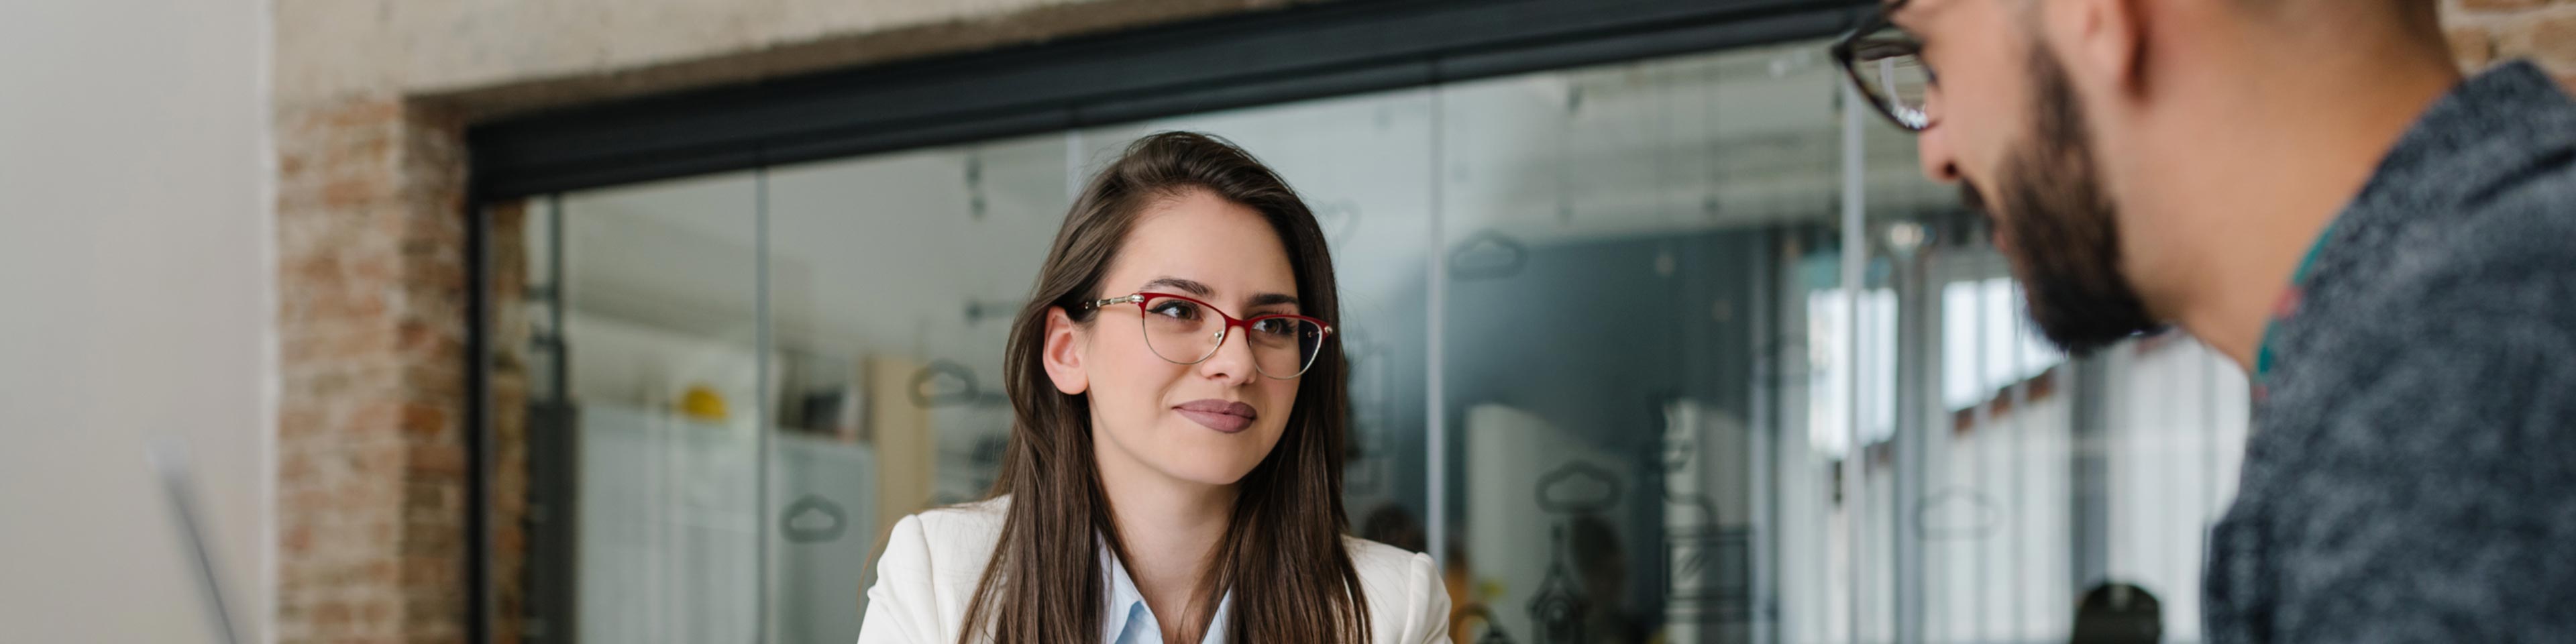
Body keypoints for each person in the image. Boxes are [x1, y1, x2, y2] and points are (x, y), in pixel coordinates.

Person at [1834, 0, 2576, 641]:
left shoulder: (2451, 392)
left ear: (2098, 14)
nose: (1936, 150)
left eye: (1931, 54)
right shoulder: (2459, 330)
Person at [854, 131, 1451, 644]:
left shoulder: (1389, 611)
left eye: (1272, 325)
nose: (1237, 362)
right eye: (1177, 310)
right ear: (1066, 350)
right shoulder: (940, 580)